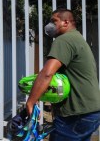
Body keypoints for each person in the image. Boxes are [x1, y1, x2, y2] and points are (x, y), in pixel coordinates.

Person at [26, 8, 100, 140]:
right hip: (91, 111)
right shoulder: (77, 38)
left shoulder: (64, 40)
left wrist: (31, 102)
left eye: (54, 21)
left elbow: (47, 74)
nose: (49, 25)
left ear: (66, 22)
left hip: (76, 113)